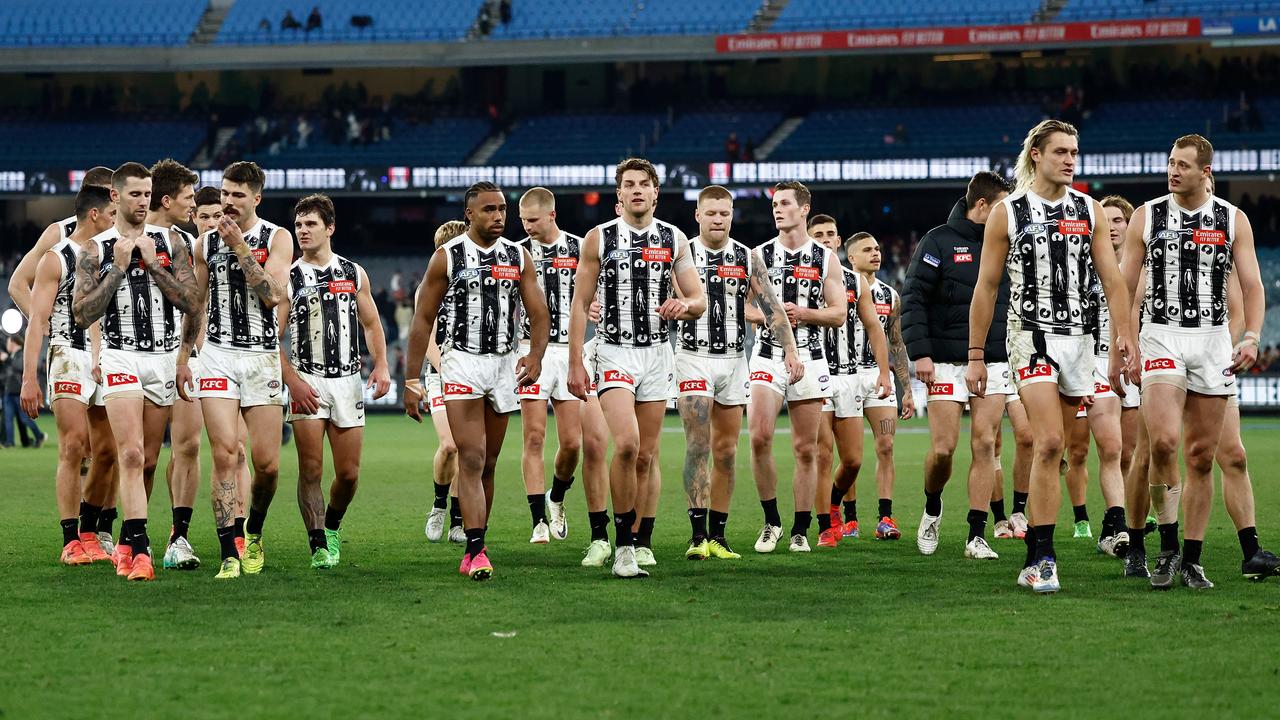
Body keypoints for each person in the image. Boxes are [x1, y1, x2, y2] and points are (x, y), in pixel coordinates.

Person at [967, 120, 1134, 594]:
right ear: (1036, 154)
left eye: (1074, 152)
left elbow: (1112, 280)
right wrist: (976, 354)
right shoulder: (1008, 212)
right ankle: (1043, 557)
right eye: (1060, 151)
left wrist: (1125, 340)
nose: (1069, 159)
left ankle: (1037, 546)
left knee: (1060, 449)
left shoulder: (1090, 210)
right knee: (1048, 443)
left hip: (1080, 343)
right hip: (1030, 337)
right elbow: (987, 287)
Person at [1120, 134, 1263, 590]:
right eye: (1170, 162)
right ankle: (1166, 546)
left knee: (1202, 456)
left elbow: (1253, 285)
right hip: (1161, 336)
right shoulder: (1147, 215)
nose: (1173, 170)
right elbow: (1122, 287)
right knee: (1161, 444)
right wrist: (1124, 342)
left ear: (1206, 172)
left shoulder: (1232, 219)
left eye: (1183, 164)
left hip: (1213, 342)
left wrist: (1252, 336)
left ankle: (1193, 559)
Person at [567, 158, 706, 578]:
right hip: (613, 351)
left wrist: (684, 306)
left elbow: (698, 298)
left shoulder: (674, 237)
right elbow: (579, 301)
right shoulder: (599, 238)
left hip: (657, 354)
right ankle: (621, 545)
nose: (637, 191)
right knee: (624, 444)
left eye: (644, 184)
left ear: (656, 192)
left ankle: (642, 539)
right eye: (629, 185)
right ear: (619, 195)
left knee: (646, 455)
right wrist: (576, 359)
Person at [404, 181, 549, 581]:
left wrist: (535, 356)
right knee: (470, 457)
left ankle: (474, 540)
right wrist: (411, 379)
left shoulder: (518, 256)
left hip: (504, 366)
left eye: (502, 209)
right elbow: (422, 321)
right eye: (488, 209)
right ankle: (476, 549)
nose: (498, 216)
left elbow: (539, 313)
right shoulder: (447, 257)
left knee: (489, 464)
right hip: (461, 363)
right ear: (469, 214)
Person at [72, 162, 201, 582]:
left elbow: (190, 302)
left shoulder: (172, 241)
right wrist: (118, 268)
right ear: (115, 197)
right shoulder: (96, 249)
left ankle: (127, 541)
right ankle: (141, 549)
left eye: (147, 194)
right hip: (120, 355)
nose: (143, 202)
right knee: (128, 453)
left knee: (146, 460)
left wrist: (155, 266)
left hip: (162, 358)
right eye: (135, 195)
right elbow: (82, 311)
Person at [902, 171, 1027, 560]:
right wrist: (920, 352)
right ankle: (932, 507)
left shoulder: (1008, 244)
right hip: (944, 362)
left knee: (986, 445)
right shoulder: (937, 241)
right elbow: (914, 298)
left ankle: (976, 534)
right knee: (943, 449)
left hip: (994, 359)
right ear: (984, 205)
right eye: (1002, 205)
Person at [178, 161, 293, 580]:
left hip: (261, 356)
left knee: (267, 465)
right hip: (217, 355)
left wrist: (241, 248)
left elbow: (274, 296)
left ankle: (255, 532)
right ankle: (229, 549)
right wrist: (183, 358)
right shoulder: (204, 244)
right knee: (225, 454)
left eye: (237, 195)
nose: (227, 202)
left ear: (256, 199)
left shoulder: (277, 238)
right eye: (225, 193)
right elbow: (196, 303)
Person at [678, 185, 798, 560]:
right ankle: (697, 536)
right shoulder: (681, 254)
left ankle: (718, 535)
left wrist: (791, 351)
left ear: (732, 215)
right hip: (692, 356)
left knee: (727, 451)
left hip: (733, 361)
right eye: (711, 213)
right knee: (698, 444)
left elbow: (773, 308)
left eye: (724, 213)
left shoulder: (746, 257)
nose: (718, 219)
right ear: (698, 215)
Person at [745, 181, 855, 555]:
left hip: (810, 358)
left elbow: (839, 313)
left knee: (805, 449)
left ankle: (800, 529)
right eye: (775, 204)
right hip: (766, 354)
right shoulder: (758, 254)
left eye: (786, 203)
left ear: (805, 209)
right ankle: (771, 520)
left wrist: (803, 313)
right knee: (759, 436)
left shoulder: (826, 258)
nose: (778, 209)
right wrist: (768, 318)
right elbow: (745, 308)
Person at [282, 194, 390, 569]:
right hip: (307, 381)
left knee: (348, 474)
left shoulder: (353, 272)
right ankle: (317, 545)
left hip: (347, 381)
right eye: (298, 225)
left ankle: (332, 525)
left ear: (330, 228)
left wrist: (381, 365)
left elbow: (372, 322)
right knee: (311, 469)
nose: (303, 231)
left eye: (310, 224)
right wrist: (291, 381)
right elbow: (271, 335)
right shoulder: (288, 275)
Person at [19, 185, 116, 564]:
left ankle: (90, 530)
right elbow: (37, 321)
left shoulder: (112, 254)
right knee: (74, 445)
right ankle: (70, 540)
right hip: (66, 354)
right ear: (94, 214)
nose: (114, 220)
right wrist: (30, 377)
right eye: (110, 213)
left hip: (105, 357)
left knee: (107, 452)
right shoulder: (55, 259)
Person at [1060, 192, 1137, 558]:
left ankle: (1113, 523)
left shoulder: (1143, 268)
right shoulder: (1084, 265)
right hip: (1091, 364)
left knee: (1128, 454)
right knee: (1101, 447)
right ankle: (1109, 524)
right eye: (1104, 222)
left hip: (1133, 364)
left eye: (1118, 220)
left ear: (1129, 224)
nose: (1111, 227)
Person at [806, 221, 891, 549]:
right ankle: (825, 526)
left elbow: (874, 327)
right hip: (817, 373)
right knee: (823, 454)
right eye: (819, 236)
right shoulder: (804, 276)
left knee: (853, 459)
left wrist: (884, 372)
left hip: (851, 377)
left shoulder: (855, 281)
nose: (826, 240)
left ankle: (833, 501)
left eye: (830, 235)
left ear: (839, 241)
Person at [145, 159, 204, 570]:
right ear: (166, 200)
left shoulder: (181, 243)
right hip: (130, 357)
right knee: (142, 457)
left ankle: (178, 538)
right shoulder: (121, 238)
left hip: (177, 357)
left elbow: (192, 305)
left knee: (188, 445)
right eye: (188, 197)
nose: (194, 204)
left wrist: (185, 356)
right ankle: (132, 535)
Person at [516, 188, 583, 544]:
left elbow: (592, 292)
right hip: (531, 351)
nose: (526, 226)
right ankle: (538, 520)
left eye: (532, 220)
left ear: (552, 216)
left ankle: (556, 497)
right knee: (535, 436)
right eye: (523, 220)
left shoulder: (580, 248)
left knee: (572, 443)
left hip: (569, 352)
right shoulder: (515, 254)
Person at [191, 187, 254, 557]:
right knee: (185, 447)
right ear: (193, 217)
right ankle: (177, 531)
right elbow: (190, 306)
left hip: (230, 355)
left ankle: (240, 531)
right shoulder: (189, 250)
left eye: (219, 216)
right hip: (190, 355)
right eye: (205, 217)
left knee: (239, 451)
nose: (213, 224)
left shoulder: (240, 247)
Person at [421, 221, 467, 546]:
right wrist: (447, 369)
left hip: (471, 376)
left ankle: (458, 520)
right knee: (449, 445)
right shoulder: (431, 286)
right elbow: (426, 337)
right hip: (441, 376)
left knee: (465, 450)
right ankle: (439, 504)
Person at [3, 336, 45, 448]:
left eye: (8, 342)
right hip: (9, 391)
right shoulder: (12, 356)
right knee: (8, 418)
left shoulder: (22, 354)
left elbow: (21, 367)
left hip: (18, 392)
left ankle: (39, 435)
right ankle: (9, 442)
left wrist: (7, 359)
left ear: (13, 343)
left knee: (25, 418)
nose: (7, 345)